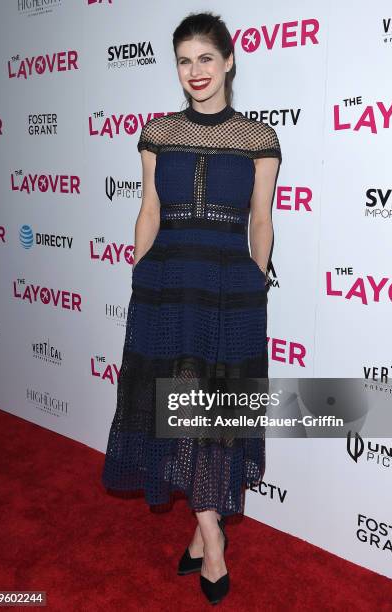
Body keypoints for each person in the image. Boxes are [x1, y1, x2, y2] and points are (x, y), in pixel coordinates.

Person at [102, 11, 281, 605]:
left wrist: (257, 280)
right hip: (167, 282)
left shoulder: (258, 139)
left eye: (206, 58)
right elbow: (150, 209)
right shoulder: (157, 131)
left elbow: (262, 219)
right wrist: (139, 267)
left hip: (231, 289)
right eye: (184, 61)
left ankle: (207, 538)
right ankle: (213, 537)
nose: (195, 71)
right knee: (175, 408)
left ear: (229, 61)